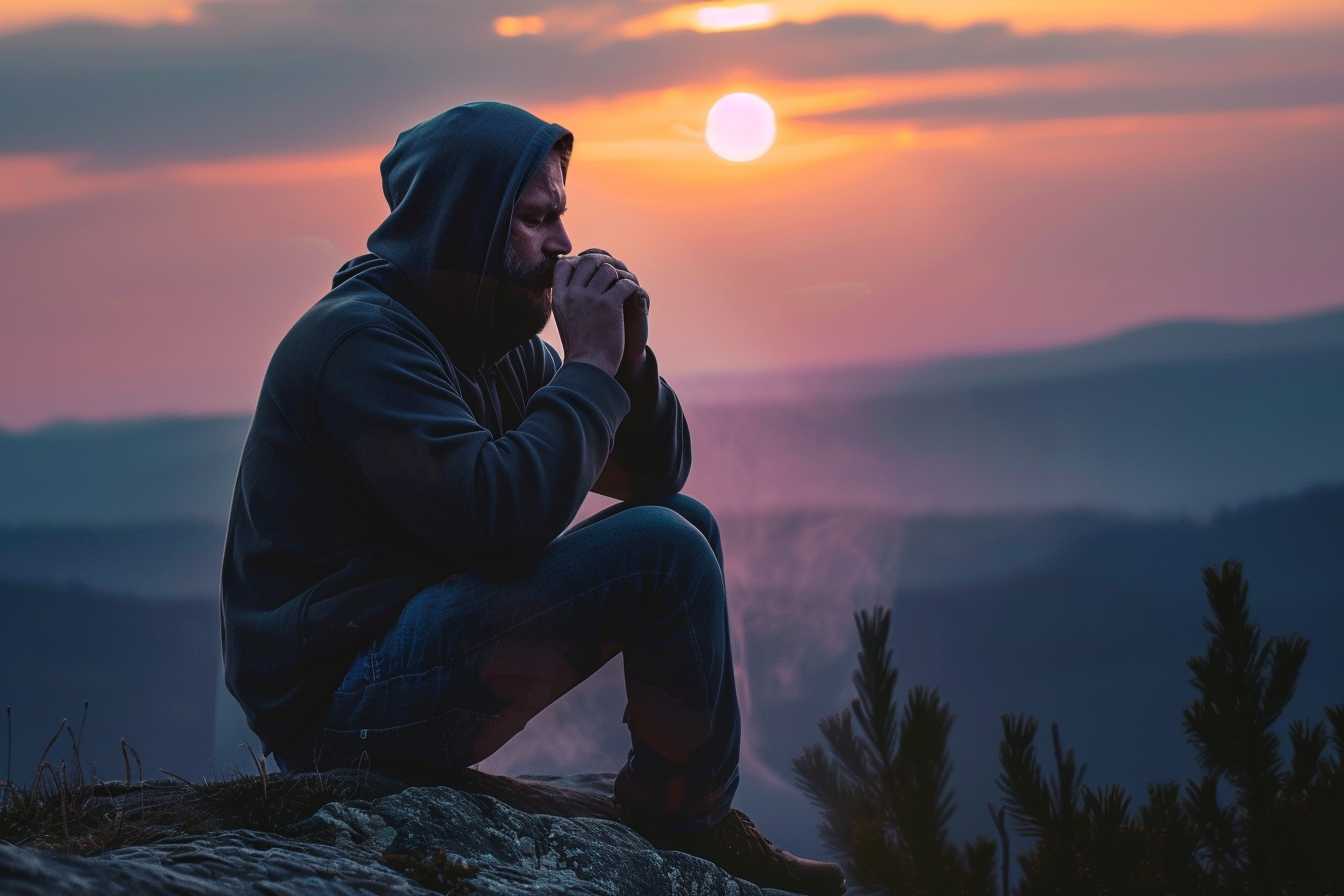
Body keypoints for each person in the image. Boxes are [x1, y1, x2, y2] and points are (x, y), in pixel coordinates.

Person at [221, 101, 845, 895]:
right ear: (465, 221)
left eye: (560, 218)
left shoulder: (493, 346)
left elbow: (655, 478)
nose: (560, 245)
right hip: (339, 706)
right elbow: (499, 522)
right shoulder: (362, 344)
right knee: (665, 552)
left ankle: (685, 812)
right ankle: (690, 832)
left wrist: (627, 358)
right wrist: (585, 366)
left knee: (683, 526)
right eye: (535, 219)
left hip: (404, 648)